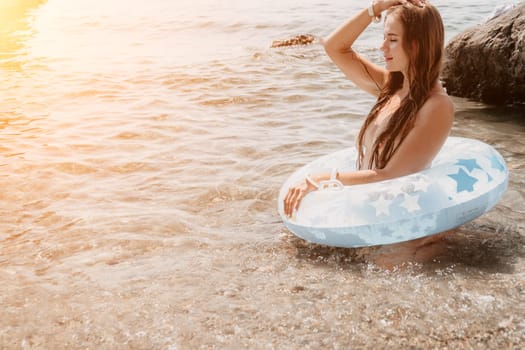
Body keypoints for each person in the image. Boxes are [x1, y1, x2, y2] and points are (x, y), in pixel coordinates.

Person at [283, 0, 455, 268]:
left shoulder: (437, 106)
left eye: (392, 39)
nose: (382, 47)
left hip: (400, 225)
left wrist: (319, 180)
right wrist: (375, 8)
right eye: (383, 37)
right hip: (368, 213)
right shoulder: (390, 86)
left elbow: (390, 175)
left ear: (417, 45)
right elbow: (334, 47)